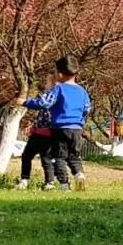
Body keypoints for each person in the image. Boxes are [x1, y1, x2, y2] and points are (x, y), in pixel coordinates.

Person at [18, 56, 92, 192]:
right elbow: (87, 108)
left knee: (59, 157)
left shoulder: (59, 89)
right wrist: (79, 121)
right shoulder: (83, 91)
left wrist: (25, 102)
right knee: (74, 156)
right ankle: (79, 174)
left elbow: (43, 103)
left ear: (60, 74)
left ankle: (64, 185)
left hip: (60, 128)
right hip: (77, 129)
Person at [15, 109, 56, 190]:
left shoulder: (53, 102)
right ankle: (25, 179)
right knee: (26, 156)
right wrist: (32, 126)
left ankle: (49, 183)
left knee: (46, 159)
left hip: (48, 135)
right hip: (37, 134)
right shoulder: (42, 103)